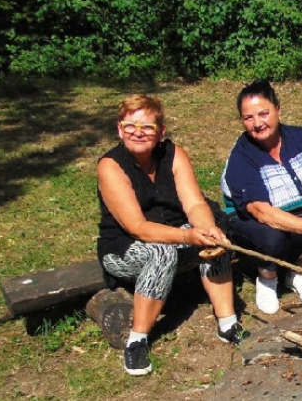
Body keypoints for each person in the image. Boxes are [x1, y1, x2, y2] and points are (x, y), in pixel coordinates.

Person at [97, 94, 243, 377]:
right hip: (124, 248)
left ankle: (229, 322)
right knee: (161, 251)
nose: (138, 133)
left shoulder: (174, 154)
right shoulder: (111, 166)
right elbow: (136, 227)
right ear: (119, 129)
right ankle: (137, 339)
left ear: (160, 132)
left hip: (174, 236)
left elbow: (195, 204)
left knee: (216, 234)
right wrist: (188, 238)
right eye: (130, 126)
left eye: (147, 127)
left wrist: (206, 228)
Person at [221, 79, 302, 315]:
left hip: (301, 209)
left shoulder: (301, 137)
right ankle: (267, 278)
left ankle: (297, 272)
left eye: (263, 113)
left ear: (278, 109)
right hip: (249, 217)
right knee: (273, 239)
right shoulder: (241, 156)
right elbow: (260, 211)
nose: (257, 123)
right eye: (249, 118)